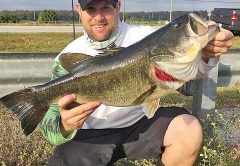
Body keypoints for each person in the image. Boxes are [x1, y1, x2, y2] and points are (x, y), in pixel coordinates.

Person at [39, 0, 233, 165]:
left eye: (106, 7)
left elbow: (189, 72)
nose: (99, 17)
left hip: (140, 125)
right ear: (79, 9)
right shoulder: (68, 58)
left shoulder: (144, 36)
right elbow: (49, 129)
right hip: (92, 135)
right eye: (91, 9)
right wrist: (65, 125)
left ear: (118, 6)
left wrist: (208, 53)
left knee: (188, 129)